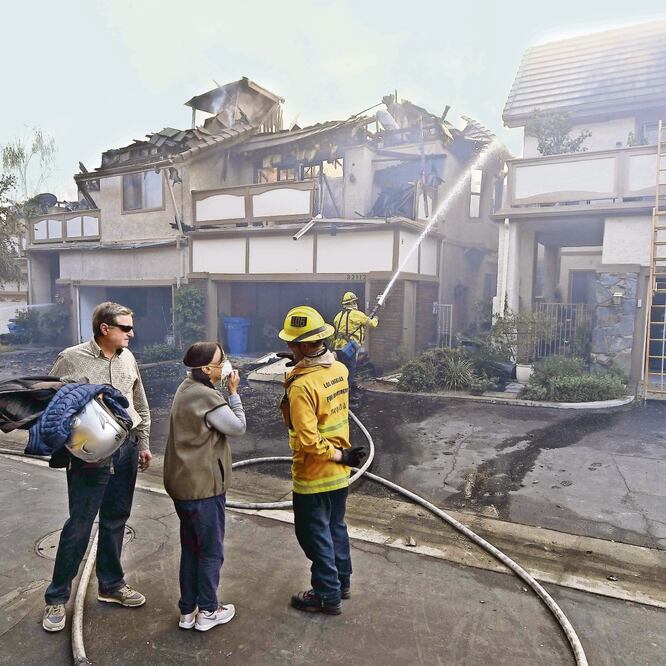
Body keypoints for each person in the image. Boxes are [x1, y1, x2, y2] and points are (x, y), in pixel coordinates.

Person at [42, 302, 152, 632]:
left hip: (127, 448)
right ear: (105, 329)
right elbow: (49, 406)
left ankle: (111, 585)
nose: (132, 333)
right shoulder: (71, 358)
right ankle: (57, 599)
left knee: (116, 518)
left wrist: (144, 443)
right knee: (80, 523)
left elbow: (140, 402)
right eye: (126, 328)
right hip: (91, 453)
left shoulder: (128, 358)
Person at [278, 305, 367, 615]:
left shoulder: (302, 385)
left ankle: (325, 595)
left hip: (314, 472)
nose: (288, 347)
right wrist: (342, 457)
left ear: (303, 345)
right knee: (335, 528)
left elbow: (307, 438)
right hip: (339, 472)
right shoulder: (339, 370)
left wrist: (295, 376)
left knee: (314, 536)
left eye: (291, 343)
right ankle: (342, 583)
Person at [163, 341, 246, 632]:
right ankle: (209, 611)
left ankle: (188, 611)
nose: (226, 363)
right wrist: (234, 394)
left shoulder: (187, 388)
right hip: (202, 487)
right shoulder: (205, 397)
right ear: (206, 368)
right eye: (220, 360)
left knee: (191, 547)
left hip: (183, 485)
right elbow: (237, 427)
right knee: (211, 550)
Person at [332, 292, 378, 404]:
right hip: (349, 348)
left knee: (341, 372)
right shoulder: (357, 314)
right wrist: (376, 318)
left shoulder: (337, 316)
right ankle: (347, 396)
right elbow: (372, 324)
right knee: (350, 372)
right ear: (352, 302)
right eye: (355, 301)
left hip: (338, 348)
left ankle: (342, 392)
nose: (356, 303)